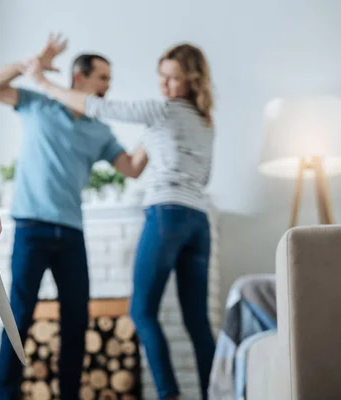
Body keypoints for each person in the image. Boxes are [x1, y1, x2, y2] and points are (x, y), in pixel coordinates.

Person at [24, 42, 216, 400]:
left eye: (173, 79)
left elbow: (99, 106)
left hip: (166, 214)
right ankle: (215, 393)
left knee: (141, 310)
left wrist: (43, 82)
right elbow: (175, 172)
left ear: (192, 80)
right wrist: (155, 142)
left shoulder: (161, 110)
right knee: (198, 322)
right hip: (199, 222)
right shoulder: (205, 122)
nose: (164, 85)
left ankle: (168, 393)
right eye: (162, 77)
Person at [0, 34, 148, 400]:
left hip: (71, 233)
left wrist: (158, 126)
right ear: (80, 78)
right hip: (32, 228)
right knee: (18, 316)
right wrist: (31, 62)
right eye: (103, 78)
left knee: (76, 321)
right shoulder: (39, 104)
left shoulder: (100, 130)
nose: (107, 86)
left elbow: (131, 168)